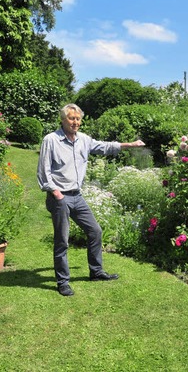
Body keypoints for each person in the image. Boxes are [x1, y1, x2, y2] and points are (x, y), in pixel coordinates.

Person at [37, 103, 145, 296]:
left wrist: (129, 144)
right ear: (63, 120)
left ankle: (96, 272)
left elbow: (103, 147)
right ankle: (63, 282)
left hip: (77, 196)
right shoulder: (51, 140)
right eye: (71, 118)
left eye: (78, 119)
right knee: (62, 240)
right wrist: (56, 193)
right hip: (59, 197)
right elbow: (43, 171)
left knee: (95, 231)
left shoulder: (83, 140)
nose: (75, 122)